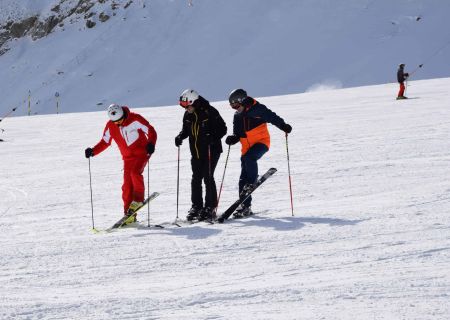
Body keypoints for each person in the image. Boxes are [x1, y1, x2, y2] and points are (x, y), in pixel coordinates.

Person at [225, 89, 292, 218]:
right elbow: (238, 134)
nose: (235, 108)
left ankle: (252, 181)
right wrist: (233, 138)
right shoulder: (237, 115)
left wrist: (284, 126)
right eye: (232, 106)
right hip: (245, 148)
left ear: (242, 101)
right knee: (242, 180)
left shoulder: (258, 109)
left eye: (236, 105)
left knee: (250, 158)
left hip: (261, 143)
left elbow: (272, 117)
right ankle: (245, 207)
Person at [85, 104, 157, 221]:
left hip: (142, 153)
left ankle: (138, 200)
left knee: (135, 173)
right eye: (115, 122)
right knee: (127, 187)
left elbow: (150, 130)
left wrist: (151, 143)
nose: (118, 123)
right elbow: (105, 141)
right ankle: (129, 215)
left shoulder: (135, 119)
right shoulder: (110, 125)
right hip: (127, 158)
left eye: (120, 120)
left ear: (123, 115)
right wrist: (93, 151)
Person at [175, 89, 227, 221]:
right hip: (196, 151)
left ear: (194, 102)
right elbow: (186, 130)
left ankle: (210, 207)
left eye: (186, 105)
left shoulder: (210, 112)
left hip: (212, 150)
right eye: (183, 106)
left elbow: (223, 129)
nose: (185, 108)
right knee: (196, 178)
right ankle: (197, 207)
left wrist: (212, 137)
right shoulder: (188, 114)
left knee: (208, 177)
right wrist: (181, 136)